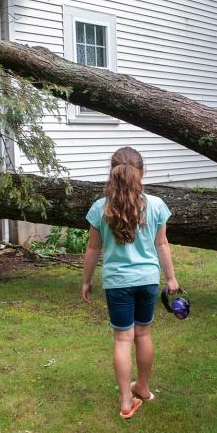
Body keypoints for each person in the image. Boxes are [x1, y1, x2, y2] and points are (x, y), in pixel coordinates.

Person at [82, 147, 180, 419]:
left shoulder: (99, 209)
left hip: (117, 284)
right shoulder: (157, 205)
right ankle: (144, 389)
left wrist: (86, 282)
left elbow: (92, 249)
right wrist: (171, 278)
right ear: (142, 173)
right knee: (143, 335)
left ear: (111, 174)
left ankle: (127, 400)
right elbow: (162, 244)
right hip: (147, 281)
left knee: (123, 339)